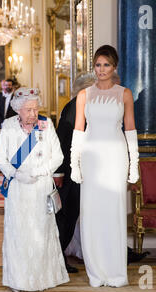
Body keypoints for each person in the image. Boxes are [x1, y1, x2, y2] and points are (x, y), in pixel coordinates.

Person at [59, 72, 150, 266]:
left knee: (101, 213)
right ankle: (60, 259)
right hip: (76, 171)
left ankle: (115, 254)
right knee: (70, 214)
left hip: (96, 169)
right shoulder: (75, 107)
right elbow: (67, 142)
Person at [70, 45, 139, 288]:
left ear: (114, 67)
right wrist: (74, 164)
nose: (101, 70)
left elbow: (130, 131)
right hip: (91, 159)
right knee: (91, 215)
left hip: (116, 158)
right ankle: (96, 272)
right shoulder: (84, 95)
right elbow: (78, 131)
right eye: (98, 65)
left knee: (114, 214)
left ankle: (116, 272)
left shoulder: (125, 93)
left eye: (106, 65)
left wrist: (134, 167)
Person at [0, 87, 69, 292]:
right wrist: (16, 174)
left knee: (41, 233)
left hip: (41, 186)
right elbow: (0, 159)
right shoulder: (8, 126)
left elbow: (58, 157)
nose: (33, 114)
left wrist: (39, 171)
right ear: (18, 110)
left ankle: (43, 278)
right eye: (28, 110)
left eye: (35, 109)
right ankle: (19, 280)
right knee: (19, 233)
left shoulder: (46, 124)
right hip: (18, 189)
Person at [54, 72, 96, 274]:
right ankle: (56, 259)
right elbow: (64, 143)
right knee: (67, 217)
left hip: (76, 171)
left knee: (69, 216)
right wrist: (59, 172)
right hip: (69, 172)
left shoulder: (83, 108)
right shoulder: (73, 108)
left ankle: (59, 258)